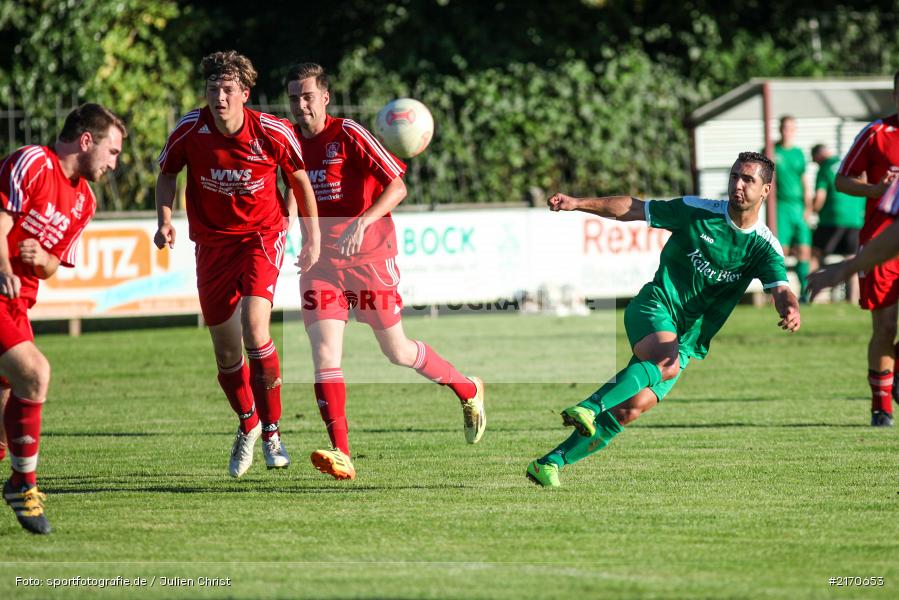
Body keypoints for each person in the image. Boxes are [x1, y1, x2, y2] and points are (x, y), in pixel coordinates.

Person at [526, 151, 801, 488]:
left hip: (687, 341)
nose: (738, 185)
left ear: (766, 190)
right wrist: (577, 203)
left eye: (748, 180)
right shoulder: (697, 211)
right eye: (735, 177)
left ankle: (549, 463)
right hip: (654, 307)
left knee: (631, 409)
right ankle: (589, 406)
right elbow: (634, 208)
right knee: (665, 362)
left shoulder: (763, 246)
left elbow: (781, 288)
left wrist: (790, 308)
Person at [284, 62, 484, 481]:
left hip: (369, 258)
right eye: (293, 98)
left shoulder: (350, 134)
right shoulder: (289, 141)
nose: (300, 105)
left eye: (307, 96)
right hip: (320, 263)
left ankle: (468, 388)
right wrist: (291, 227)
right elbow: (291, 186)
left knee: (397, 351)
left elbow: (398, 186)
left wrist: (362, 221)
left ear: (325, 98)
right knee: (323, 355)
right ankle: (342, 453)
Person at [155, 51, 320, 477]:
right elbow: (168, 174)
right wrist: (165, 220)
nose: (220, 97)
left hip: (261, 237)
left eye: (228, 90)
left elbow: (299, 180)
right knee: (227, 353)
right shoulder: (190, 130)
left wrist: (311, 236)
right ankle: (247, 421)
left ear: (244, 94)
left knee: (255, 328)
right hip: (211, 245)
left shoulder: (273, 131)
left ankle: (272, 432)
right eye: (213, 90)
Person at [0, 103, 126, 533]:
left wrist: (45, 258)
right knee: (35, 374)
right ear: (86, 141)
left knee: (4, 420)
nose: (115, 163)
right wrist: (5, 267)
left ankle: (15, 476)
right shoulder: (33, 162)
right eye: (112, 152)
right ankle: (23, 486)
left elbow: (55, 266)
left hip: (17, 306)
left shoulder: (84, 201)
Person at [834, 69, 899, 427]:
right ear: (895, 96)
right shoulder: (877, 134)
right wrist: (876, 190)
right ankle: (881, 408)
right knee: (886, 327)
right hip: (880, 243)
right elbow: (841, 180)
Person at [810, 144, 865, 303]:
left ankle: (812, 296)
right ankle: (853, 299)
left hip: (831, 218)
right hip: (855, 219)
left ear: (818, 156)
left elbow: (820, 196)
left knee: (815, 255)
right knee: (852, 258)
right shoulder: (849, 163)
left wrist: (812, 211)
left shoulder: (825, 167)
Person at [774, 116, 812, 300]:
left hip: (798, 206)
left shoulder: (798, 153)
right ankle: (779, 292)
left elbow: (805, 181)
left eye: (790, 127)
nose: (787, 131)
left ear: (794, 130)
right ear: (779, 129)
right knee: (781, 250)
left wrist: (808, 206)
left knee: (804, 249)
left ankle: (805, 292)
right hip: (781, 206)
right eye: (784, 127)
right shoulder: (772, 150)